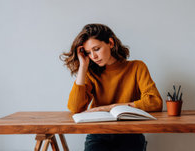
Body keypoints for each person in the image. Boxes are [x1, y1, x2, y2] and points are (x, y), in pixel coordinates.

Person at [60, 23, 162, 151]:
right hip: (98, 135)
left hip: (130, 134)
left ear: (111, 43)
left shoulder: (137, 67)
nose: (93, 56)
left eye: (96, 49)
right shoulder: (91, 73)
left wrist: (109, 108)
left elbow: (155, 102)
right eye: (88, 53)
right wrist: (83, 67)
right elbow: (75, 107)